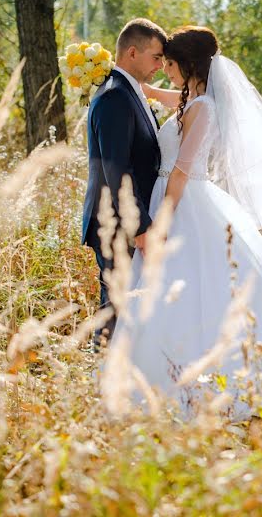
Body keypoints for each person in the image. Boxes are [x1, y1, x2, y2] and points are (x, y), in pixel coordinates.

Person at [107, 25, 262, 419]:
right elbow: (165, 99)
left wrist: (163, 220)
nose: (165, 71)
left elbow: (182, 171)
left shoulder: (205, 108)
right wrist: (132, 84)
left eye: (169, 65)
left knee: (199, 290)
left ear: (187, 64)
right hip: (176, 198)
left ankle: (208, 388)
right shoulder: (193, 100)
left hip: (183, 203)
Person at [81, 18, 167, 350]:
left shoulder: (129, 92)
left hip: (125, 220)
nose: (160, 65)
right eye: (156, 57)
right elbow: (117, 171)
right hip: (115, 223)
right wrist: (140, 227)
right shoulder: (115, 96)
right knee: (115, 307)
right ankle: (97, 380)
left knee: (123, 306)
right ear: (133, 52)